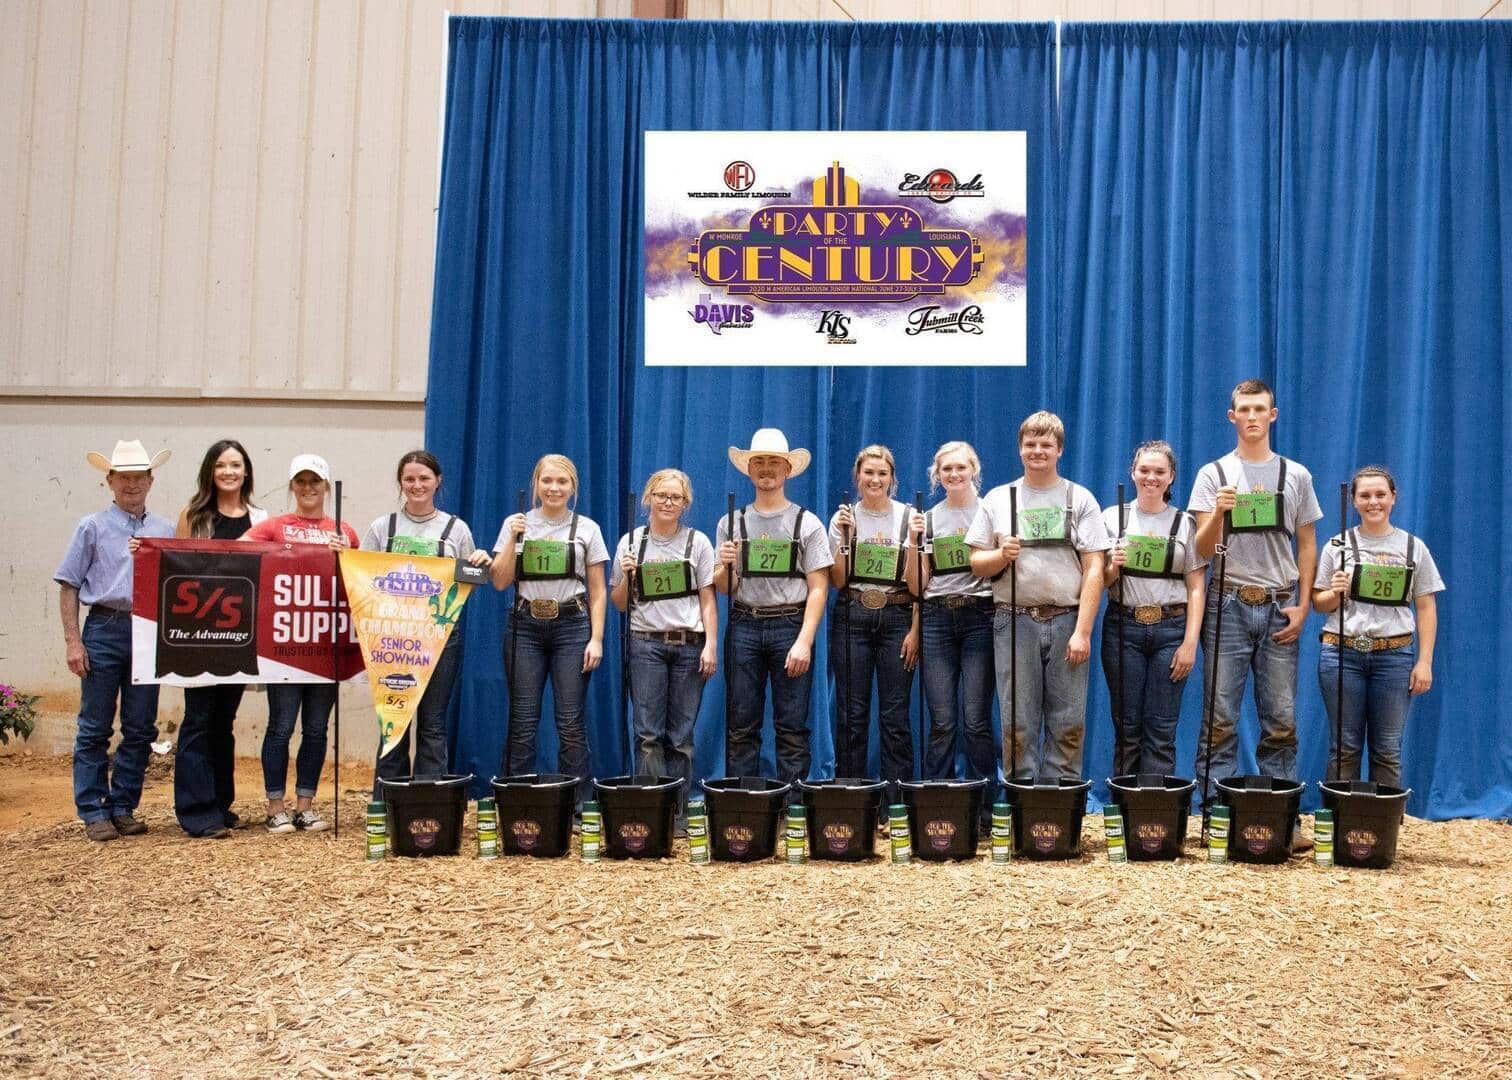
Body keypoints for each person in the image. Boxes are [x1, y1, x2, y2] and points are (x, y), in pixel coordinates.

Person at [1189, 379, 1321, 834]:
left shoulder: (1296, 475)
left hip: (1280, 602)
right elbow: (1201, 549)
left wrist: (1304, 605)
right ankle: (1215, 816)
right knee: (1219, 718)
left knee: (1281, 719)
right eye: (1243, 409)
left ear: (1272, 415)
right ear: (1232, 417)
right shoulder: (1213, 474)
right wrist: (1217, 513)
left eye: (1259, 409)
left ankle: (1280, 818)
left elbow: (1307, 543)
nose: (1251, 417)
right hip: (1227, 601)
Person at [967, 411, 1110, 779]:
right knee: (1017, 720)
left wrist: (1083, 631)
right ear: (1020, 449)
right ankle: (1023, 800)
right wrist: (1001, 555)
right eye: (1030, 444)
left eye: (1046, 444)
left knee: (1068, 720)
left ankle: (1059, 801)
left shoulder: (1080, 498)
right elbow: (976, 562)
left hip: (1067, 620)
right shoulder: (998, 498)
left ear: (1059, 450)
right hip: (1013, 620)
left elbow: (1095, 567)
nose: (1037, 451)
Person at [55, 439, 175, 841]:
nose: (131, 484)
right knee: (94, 726)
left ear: (151, 481)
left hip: (147, 631)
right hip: (104, 627)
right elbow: (69, 584)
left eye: (139, 477)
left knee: (140, 726)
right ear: (109, 481)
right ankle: (93, 810)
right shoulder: (91, 527)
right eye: (124, 477)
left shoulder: (165, 530)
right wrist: (74, 642)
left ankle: (122, 806)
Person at [243, 454, 359, 833]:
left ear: (326, 487)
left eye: (315, 481)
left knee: (316, 729)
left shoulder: (344, 530)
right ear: (292, 486)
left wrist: (349, 554)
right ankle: (275, 805)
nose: (308, 488)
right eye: (301, 481)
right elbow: (237, 551)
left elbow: (360, 579)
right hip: (285, 649)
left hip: (326, 644)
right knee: (280, 726)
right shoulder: (274, 526)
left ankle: (305, 805)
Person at [363, 451, 492, 791]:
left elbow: (470, 582)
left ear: (438, 481)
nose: (417, 485)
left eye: (424, 478)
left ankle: (428, 805)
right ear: (400, 483)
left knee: (433, 724)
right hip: (392, 639)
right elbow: (363, 578)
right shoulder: (382, 528)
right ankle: (388, 802)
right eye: (409, 479)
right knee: (394, 723)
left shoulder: (456, 529)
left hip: (441, 638)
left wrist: (481, 562)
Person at [1311, 466, 1442, 789]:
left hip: (1394, 656)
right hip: (1342, 654)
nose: (1373, 502)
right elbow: (1319, 603)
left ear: (1393, 498)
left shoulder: (1413, 547)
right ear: (1354, 501)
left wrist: (1424, 662)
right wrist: (1335, 592)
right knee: (1344, 747)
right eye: (1365, 495)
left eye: (1380, 494)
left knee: (1387, 749)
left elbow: (1426, 606)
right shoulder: (1337, 545)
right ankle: (1341, 816)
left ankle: (1383, 817)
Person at [714, 429, 832, 783]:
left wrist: (804, 641)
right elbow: (725, 587)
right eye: (759, 461)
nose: (766, 468)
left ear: (787, 469)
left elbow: (819, 587)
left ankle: (792, 801)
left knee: (792, 726)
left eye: (774, 462)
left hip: (790, 625)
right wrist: (725, 565)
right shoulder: (730, 522)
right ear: (749, 469)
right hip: (744, 624)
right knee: (741, 725)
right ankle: (742, 802)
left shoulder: (807, 523)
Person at [490, 454, 607, 803]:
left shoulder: (587, 528)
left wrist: (597, 638)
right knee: (523, 720)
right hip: (525, 626)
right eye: (547, 481)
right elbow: (500, 580)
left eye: (562, 482)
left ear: (573, 487)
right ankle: (518, 802)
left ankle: (577, 805)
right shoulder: (517, 523)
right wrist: (512, 539)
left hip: (572, 626)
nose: (554, 488)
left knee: (570, 722)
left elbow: (598, 590)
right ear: (536, 484)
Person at [172, 440, 268, 838]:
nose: (229, 472)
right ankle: (196, 811)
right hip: (197, 635)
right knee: (198, 719)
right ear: (210, 472)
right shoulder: (193, 516)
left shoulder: (261, 519)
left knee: (224, 720)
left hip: (240, 636)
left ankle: (219, 802)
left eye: (236, 465)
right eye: (221, 465)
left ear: (246, 472)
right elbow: (174, 566)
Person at [610, 469, 718, 824]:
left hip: (689, 644)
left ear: (685, 503)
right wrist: (627, 577)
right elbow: (620, 603)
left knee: (681, 736)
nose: (668, 502)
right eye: (661, 496)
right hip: (646, 643)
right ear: (648, 499)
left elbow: (707, 598)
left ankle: (679, 814)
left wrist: (711, 644)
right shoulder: (630, 542)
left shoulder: (698, 542)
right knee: (647, 734)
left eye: (676, 497)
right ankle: (650, 812)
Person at [1101, 441, 1207, 777]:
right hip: (1123, 627)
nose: (1151, 477)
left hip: (1171, 630)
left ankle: (1156, 804)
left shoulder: (1185, 523)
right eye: (1144, 470)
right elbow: (1100, 581)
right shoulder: (1111, 518)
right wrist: (1113, 566)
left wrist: (1190, 643)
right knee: (1127, 726)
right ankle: (1124, 801)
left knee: (1161, 728)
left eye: (1159, 471)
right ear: (1133, 473)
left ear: (1171, 476)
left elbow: (1196, 586)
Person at [829, 445, 919, 798]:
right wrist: (845, 539)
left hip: (897, 615)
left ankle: (895, 803)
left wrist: (916, 629)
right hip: (852, 615)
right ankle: (852, 801)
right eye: (869, 472)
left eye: (882, 473)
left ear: (892, 478)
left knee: (895, 716)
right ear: (858, 476)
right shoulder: (843, 518)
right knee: (851, 714)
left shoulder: (909, 517)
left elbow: (919, 585)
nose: (875, 479)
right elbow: (838, 580)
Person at [918, 442, 997, 804]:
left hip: (980, 615)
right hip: (936, 617)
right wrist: (913, 545)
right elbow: (920, 583)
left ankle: (984, 807)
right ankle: (939, 805)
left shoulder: (990, 512)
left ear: (974, 470)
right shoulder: (929, 519)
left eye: (961, 467)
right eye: (946, 469)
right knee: (942, 721)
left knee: (976, 720)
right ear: (937, 475)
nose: (954, 474)